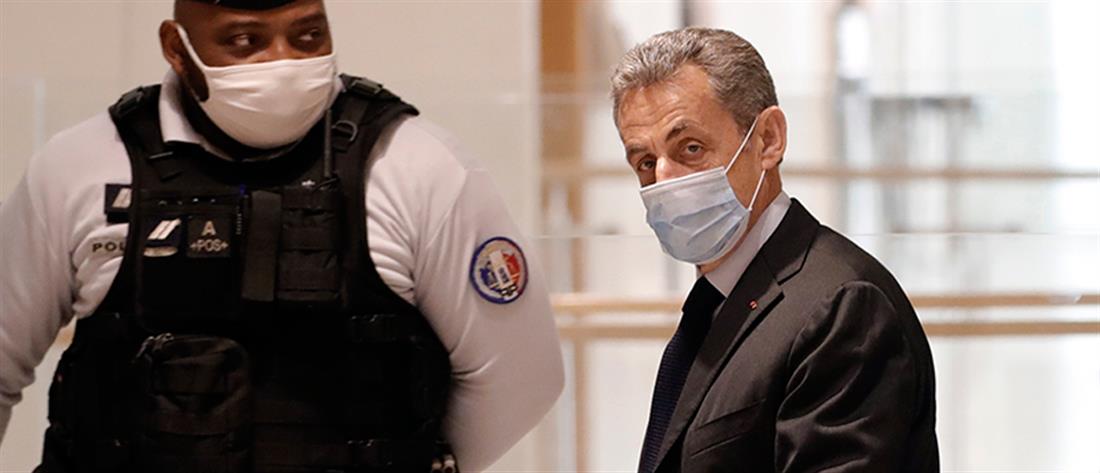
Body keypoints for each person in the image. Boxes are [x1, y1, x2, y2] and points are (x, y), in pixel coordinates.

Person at [0, 1, 564, 472]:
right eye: (245, 41)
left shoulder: (418, 167)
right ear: (176, 46)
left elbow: (520, 377)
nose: (283, 61)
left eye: (308, 36)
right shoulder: (79, 169)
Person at [612, 27, 938, 472]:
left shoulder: (844, 308)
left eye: (690, 148)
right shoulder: (717, 302)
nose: (664, 180)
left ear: (767, 139)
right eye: (646, 163)